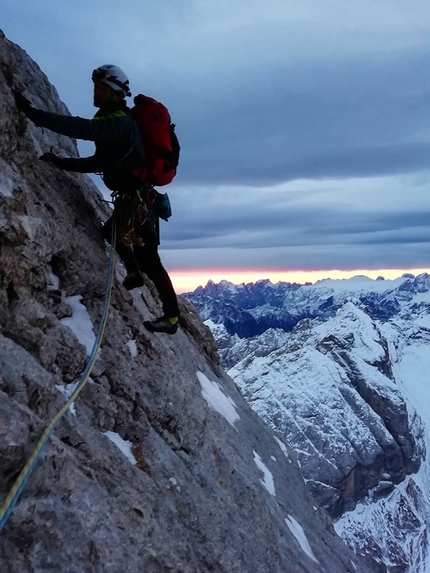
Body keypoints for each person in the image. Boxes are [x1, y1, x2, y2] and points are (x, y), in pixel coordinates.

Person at [14, 65, 179, 335]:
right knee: (111, 232)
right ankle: (135, 273)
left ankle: (171, 318)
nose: (96, 92)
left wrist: (34, 114)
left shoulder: (118, 122)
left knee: (150, 260)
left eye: (101, 89)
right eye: (95, 87)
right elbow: (100, 161)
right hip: (137, 200)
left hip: (138, 201)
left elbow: (83, 128)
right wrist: (62, 163)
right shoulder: (117, 122)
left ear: (115, 94)